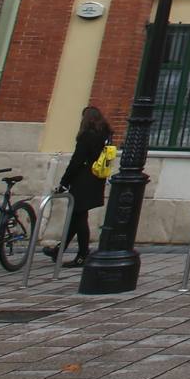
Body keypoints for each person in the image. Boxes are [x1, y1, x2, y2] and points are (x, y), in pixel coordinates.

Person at [46, 106, 112, 267]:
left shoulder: (87, 136)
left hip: (83, 179)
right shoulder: (105, 135)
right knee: (77, 217)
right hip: (97, 177)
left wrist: (64, 182)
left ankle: (82, 255)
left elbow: (76, 161)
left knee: (79, 217)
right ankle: (59, 250)